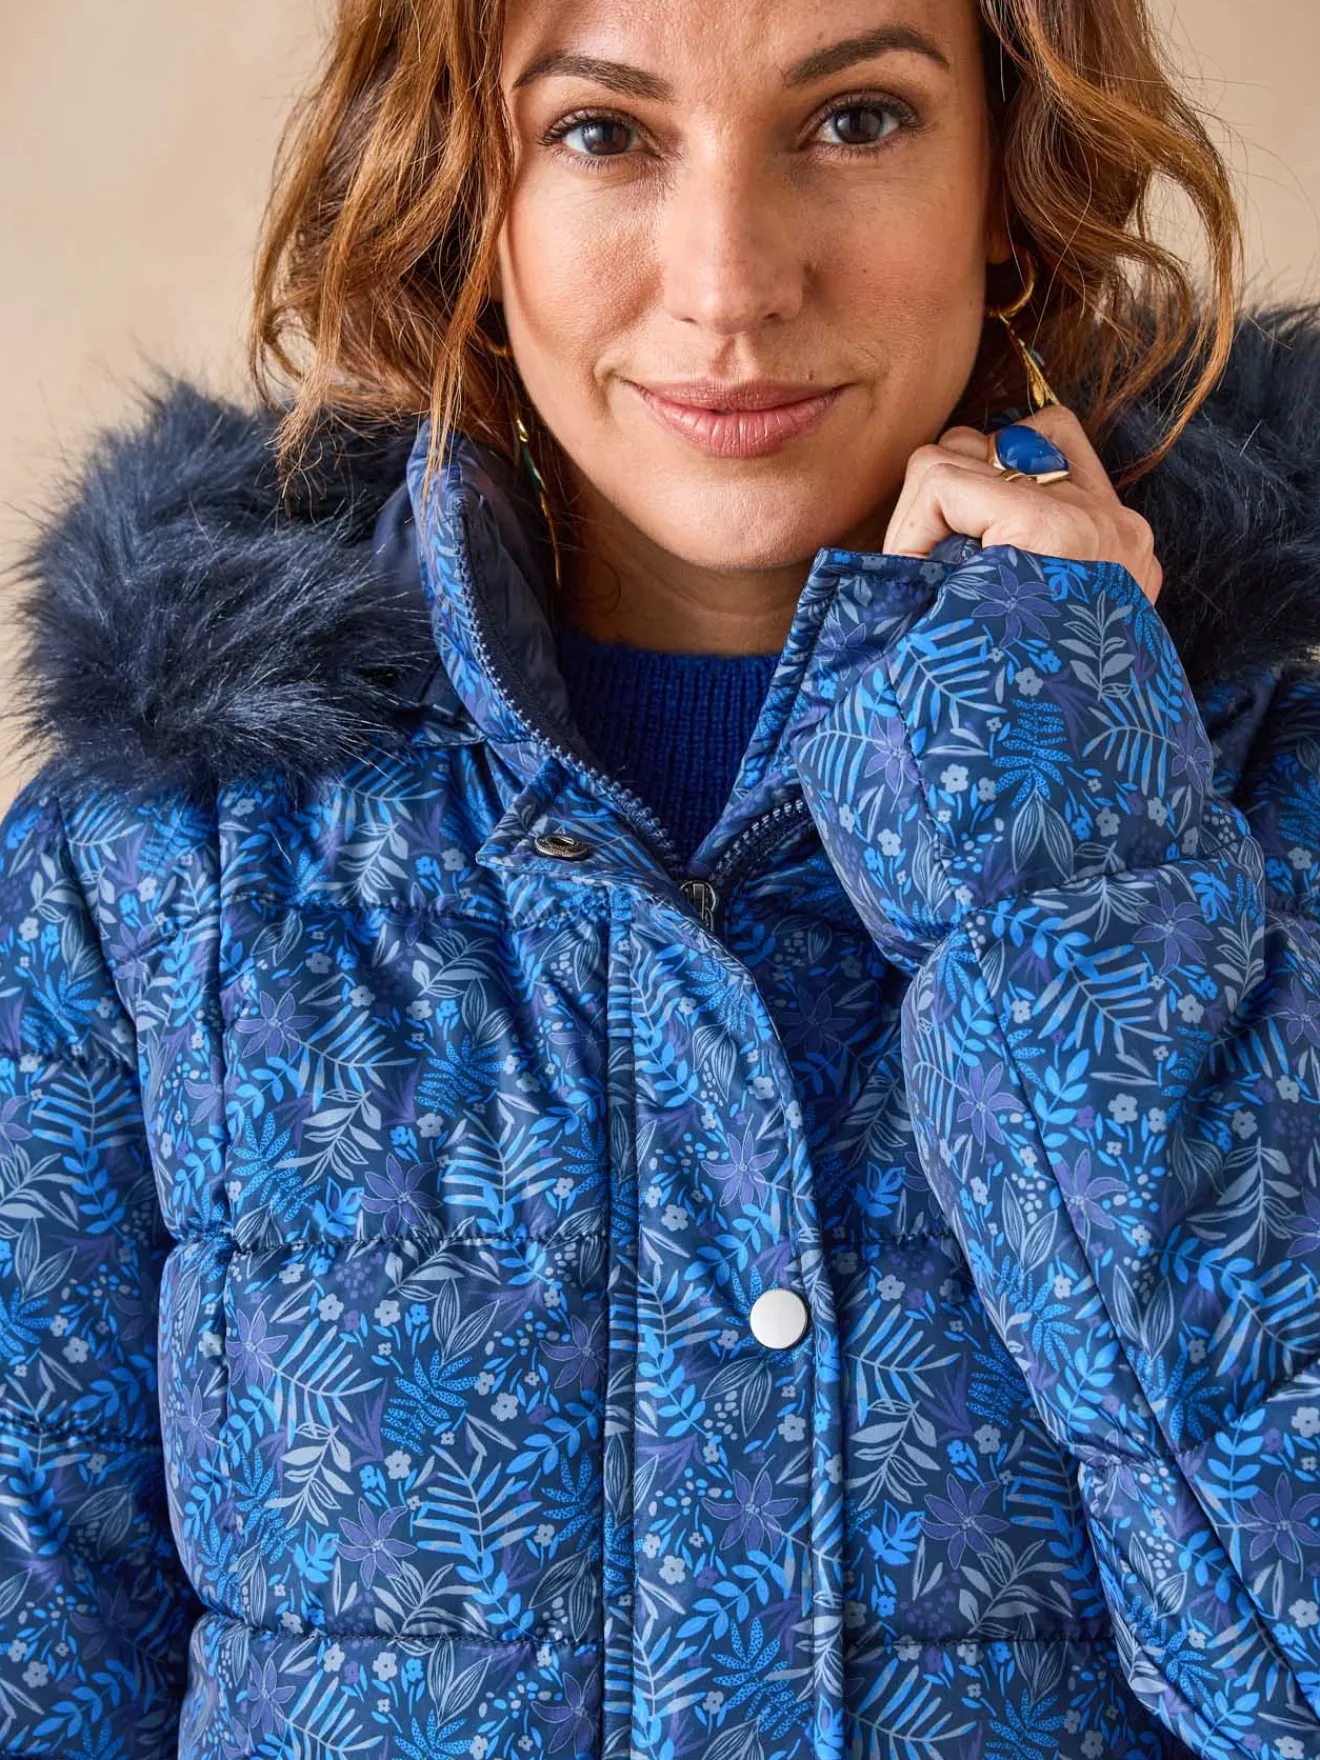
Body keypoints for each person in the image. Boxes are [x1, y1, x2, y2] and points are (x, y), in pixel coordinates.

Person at [1, 0, 1319, 1754]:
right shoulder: (164, 879)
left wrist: (1065, 850)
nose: (730, 285)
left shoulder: (1258, 818)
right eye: (603, 133)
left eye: (856, 121)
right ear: (468, 191)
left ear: (1010, 176)